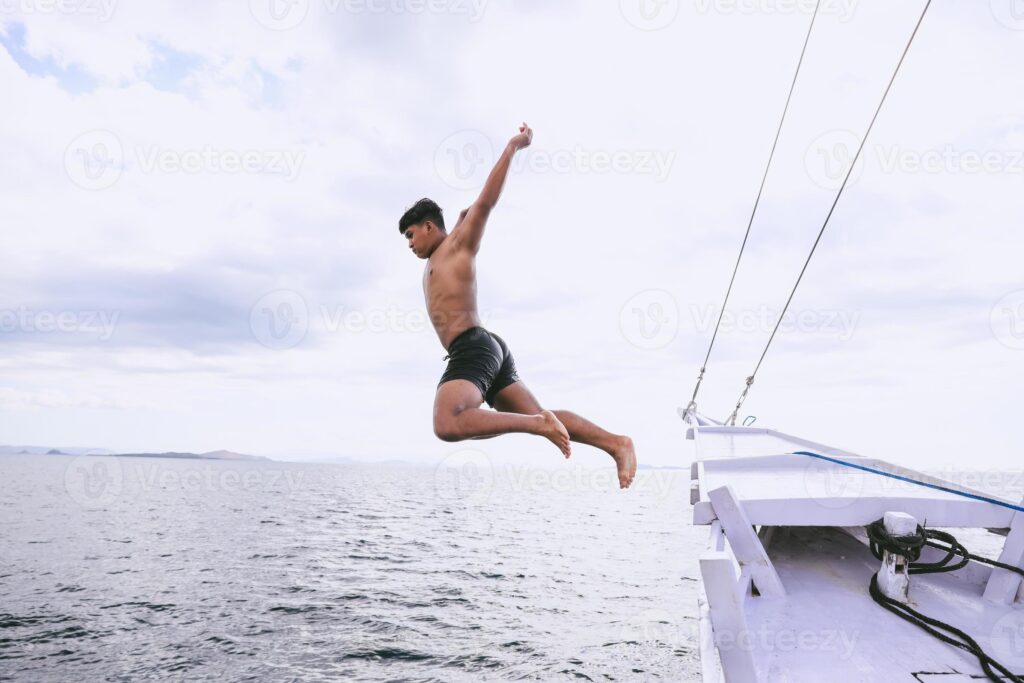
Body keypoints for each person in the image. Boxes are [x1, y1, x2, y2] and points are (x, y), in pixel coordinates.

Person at [399, 123, 637, 489]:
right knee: (543, 414)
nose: (410, 245)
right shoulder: (444, 248)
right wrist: (462, 215)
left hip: (473, 347)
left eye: (411, 235)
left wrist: (513, 146)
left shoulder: (457, 246)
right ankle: (616, 444)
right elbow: (467, 210)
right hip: (487, 347)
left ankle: (536, 425)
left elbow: (485, 202)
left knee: (447, 421)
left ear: (429, 226)